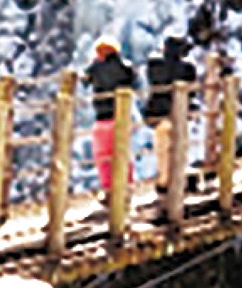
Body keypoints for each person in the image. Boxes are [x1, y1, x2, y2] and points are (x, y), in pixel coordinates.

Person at [83, 36, 137, 197]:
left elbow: (85, 79)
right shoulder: (126, 67)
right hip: (122, 115)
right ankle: (127, 186)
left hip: (103, 116)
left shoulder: (96, 68)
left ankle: (108, 189)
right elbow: (133, 79)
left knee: (103, 155)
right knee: (122, 152)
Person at [144, 36, 196, 196]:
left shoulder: (154, 65)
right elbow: (192, 90)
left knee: (162, 150)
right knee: (180, 148)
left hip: (157, 113)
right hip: (178, 112)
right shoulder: (187, 68)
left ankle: (163, 181)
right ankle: (180, 180)